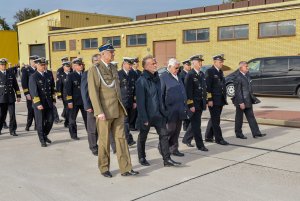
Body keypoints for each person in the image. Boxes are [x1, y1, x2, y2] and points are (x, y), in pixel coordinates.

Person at [88, 42, 138, 177]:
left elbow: (117, 89)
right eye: (111, 52)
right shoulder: (95, 69)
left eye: (113, 52)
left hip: (118, 109)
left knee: (121, 139)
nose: (113, 54)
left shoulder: (113, 68)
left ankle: (126, 168)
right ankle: (104, 168)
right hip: (104, 111)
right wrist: (98, 112)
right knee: (104, 141)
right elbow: (93, 92)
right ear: (102, 54)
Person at [136, 55, 181, 167]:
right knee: (143, 137)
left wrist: (164, 112)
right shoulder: (141, 81)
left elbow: (160, 97)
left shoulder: (157, 79)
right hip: (147, 115)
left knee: (164, 135)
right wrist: (144, 118)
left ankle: (167, 159)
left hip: (159, 114)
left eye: (155, 63)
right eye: (153, 63)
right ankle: (142, 157)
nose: (156, 65)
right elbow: (140, 102)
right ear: (146, 66)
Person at [81, 54, 116, 156]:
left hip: (106, 106)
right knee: (92, 129)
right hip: (92, 106)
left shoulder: (105, 71)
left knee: (109, 128)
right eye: (95, 60)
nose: (97, 61)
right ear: (92, 62)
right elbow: (85, 91)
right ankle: (93, 147)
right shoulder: (88, 73)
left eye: (98, 60)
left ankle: (114, 147)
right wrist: (87, 106)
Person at [160, 58, 187, 157]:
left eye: (178, 68)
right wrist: (163, 111)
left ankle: (174, 149)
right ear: (169, 67)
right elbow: (161, 95)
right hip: (170, 110)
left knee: (177, 131)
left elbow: (182, 91)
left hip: (179, 109)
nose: (177, 70)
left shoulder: (178, 76)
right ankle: (162, 147)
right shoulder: (163, 77)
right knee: (170, 130)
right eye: (176, 68)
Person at [233, 61, 267, 139]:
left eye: (247, 66)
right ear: (241, 68)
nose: (248, 68)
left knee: (251, 117)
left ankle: (256, 133)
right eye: (246, 66)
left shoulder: (247, 75)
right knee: (239, 118)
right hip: (241, 101)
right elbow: (238, 91)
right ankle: (238, 133)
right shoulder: (237, 77)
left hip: (248, 100)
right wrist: (241, 102)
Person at [183, 55, 208, 151]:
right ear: (193, 63)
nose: (200, 63)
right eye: (198, 62)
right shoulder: (190, 75)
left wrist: (205, 101)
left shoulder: (201, 74)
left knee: (194, 124)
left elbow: (204, 89)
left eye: (201, 62)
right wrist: (190, 105)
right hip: (194, 105)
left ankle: (186, 139)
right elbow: (188, 92)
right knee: (197, 126)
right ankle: (200, 145)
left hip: (200, 103)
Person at [29, 58, 56, 147]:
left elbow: (52, 87)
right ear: (36, 65)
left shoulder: (48, 74)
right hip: (39, 103)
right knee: (40, 123)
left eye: (44, 65)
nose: (43, 66)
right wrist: (37, 104)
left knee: (50, 120)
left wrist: (53, 100)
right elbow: (34, 92)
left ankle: (44, 135)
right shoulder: (33, 76)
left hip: (48, 102)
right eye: (41, 65)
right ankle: (42, 140)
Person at [205, 54, 229, 145]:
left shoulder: (220, 72)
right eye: (220, 62)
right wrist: (209, 99)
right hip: (214, 100)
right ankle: (219, 139)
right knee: (216, 120)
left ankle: (208, 136)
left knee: (214, 119)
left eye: (222, 62)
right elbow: (208, 87)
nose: (222, 63)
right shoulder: (210, 71)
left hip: (220, 99)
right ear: (215, 62)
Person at [65, 58, 87, 140]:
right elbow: (68, 90)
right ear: (74, 66)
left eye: (82, 64)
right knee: (72, 119)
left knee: (87, 118)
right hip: (74, 101)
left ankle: (91, 133)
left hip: (84, 101)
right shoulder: (70, 76)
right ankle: (73, 135)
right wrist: (69, 101)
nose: (81, 66)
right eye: (79, 65)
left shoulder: (85, 74)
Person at [118, 57, 136, 146]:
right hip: (122, 102)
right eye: (129, 64)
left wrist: (134, 101)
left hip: (130, 102)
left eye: (131, 64)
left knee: (127, 121)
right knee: (125, 122)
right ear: (124, 64)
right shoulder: (119, 74)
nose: (130, 66)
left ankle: (126, 138)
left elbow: (134, 89)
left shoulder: (132, 74)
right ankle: (128, 139)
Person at [0, 58, 21, 136]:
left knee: (12, 115)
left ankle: (12, 130)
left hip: (10, 97)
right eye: (1, 65)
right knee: (2, 115)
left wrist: (18, 95)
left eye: (4, 64)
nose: (3, 66)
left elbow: (15, 85)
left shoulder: (10, 73)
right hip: (1, 98)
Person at [21, 55, 38, 131]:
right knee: (31, 110)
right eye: (34, 61)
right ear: (31, 61)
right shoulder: (26, 70)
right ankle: (28, 125)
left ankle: (37, 126)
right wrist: (26, 93)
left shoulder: (39, 69)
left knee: (37, 110)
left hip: (37, 94)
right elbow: (24, 83)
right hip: (30, 94)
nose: (35, 63)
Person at [45, 59, 62, 124]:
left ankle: (56, 119)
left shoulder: (49, 72)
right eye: (44, 64)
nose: (45, 66)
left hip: (50, 93)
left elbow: (52, 83)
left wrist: (54, 91)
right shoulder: (38, 73)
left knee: (53, 106)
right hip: (43, 94)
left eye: (46, 64)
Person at [179, 59, 192, 133]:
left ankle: (187, 127)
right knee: (186, 112)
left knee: (189, 111)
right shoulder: (181, 75)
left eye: (190, 65)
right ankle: (186, 127)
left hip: (190, 96)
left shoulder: (190, 73)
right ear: (184, 65)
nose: (189, 66)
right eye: (188, 65)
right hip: (185, 96)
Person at [129, 57, 141, 131]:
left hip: (139, 93)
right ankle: (131, 125)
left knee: (138, 111)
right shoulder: (130, 72)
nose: (136, 64)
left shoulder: (139, 72)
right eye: (135, 63)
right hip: (133, 94)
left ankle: (136, 124)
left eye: (137, 63)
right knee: (133, 111)